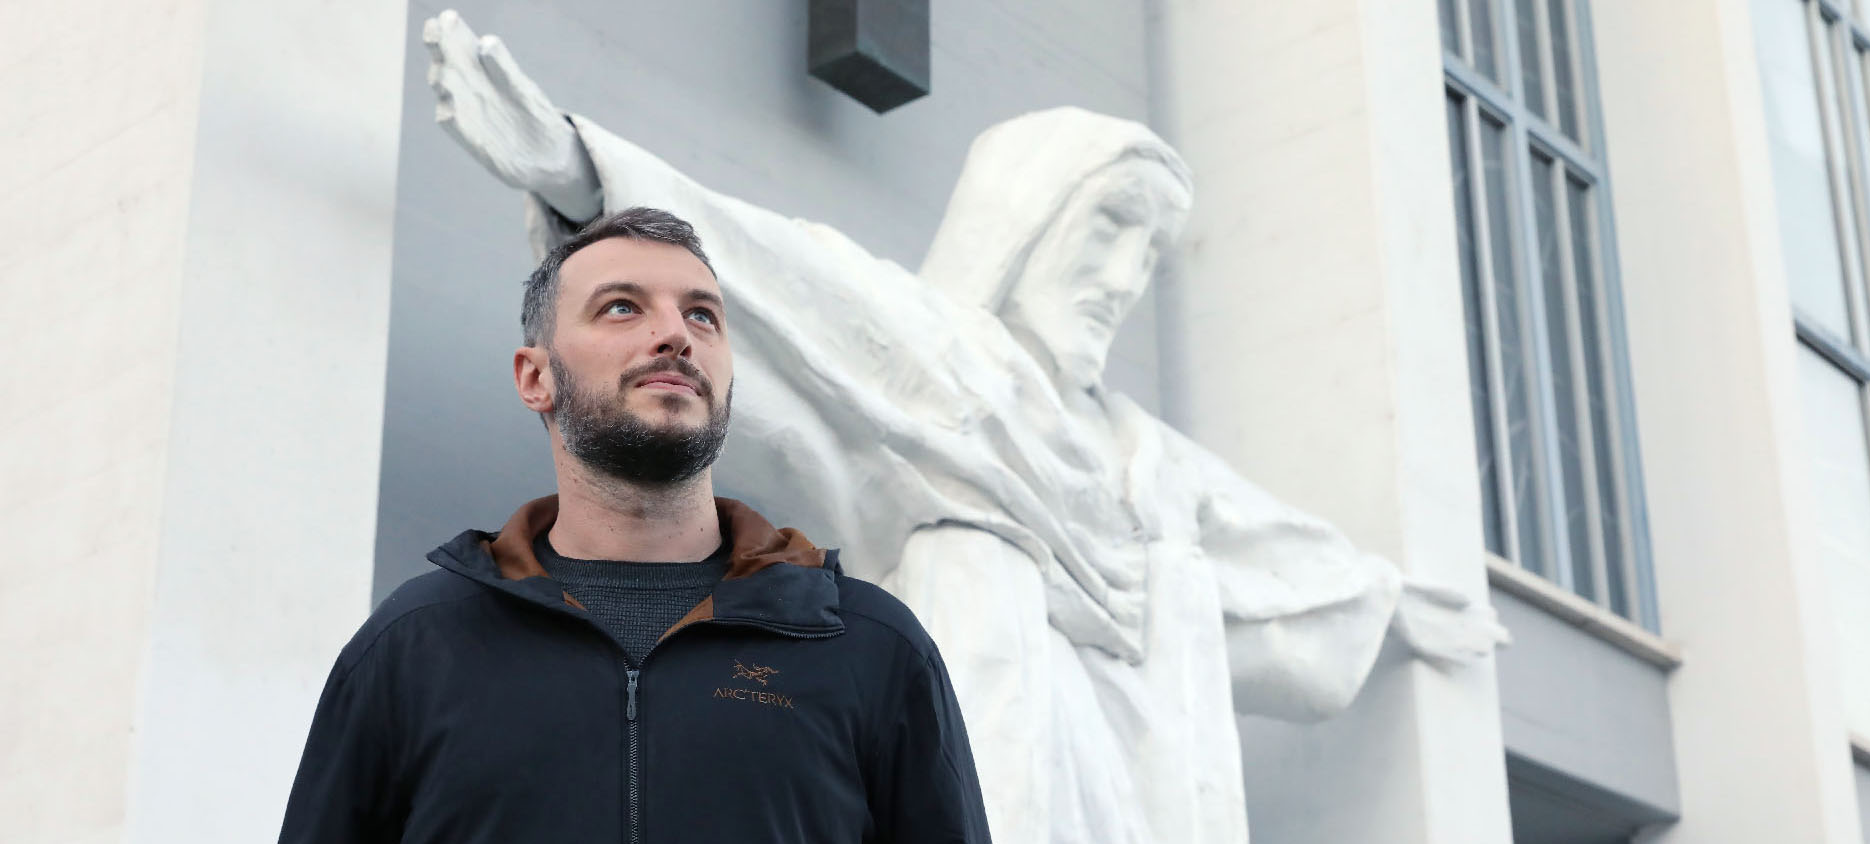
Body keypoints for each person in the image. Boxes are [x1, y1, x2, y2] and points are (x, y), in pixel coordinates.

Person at [420, 10, 1505, 843]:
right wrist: (573, 165)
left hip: (1138, 795)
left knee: (1155, 570)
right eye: (1111, 231)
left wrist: (1394, 604)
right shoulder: (937, 366)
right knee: (972, 555)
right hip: (989, 755)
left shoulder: (1142, 461)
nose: (1121, 279)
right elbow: (783, 284)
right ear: (1030, 224)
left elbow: (1275, 563)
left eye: (1147, 256)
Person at [276, 206, 991, 843]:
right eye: (622, 308)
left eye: (702, 315)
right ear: (535, 377)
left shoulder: (871, 646)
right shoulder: (413, 646)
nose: (675, 334)